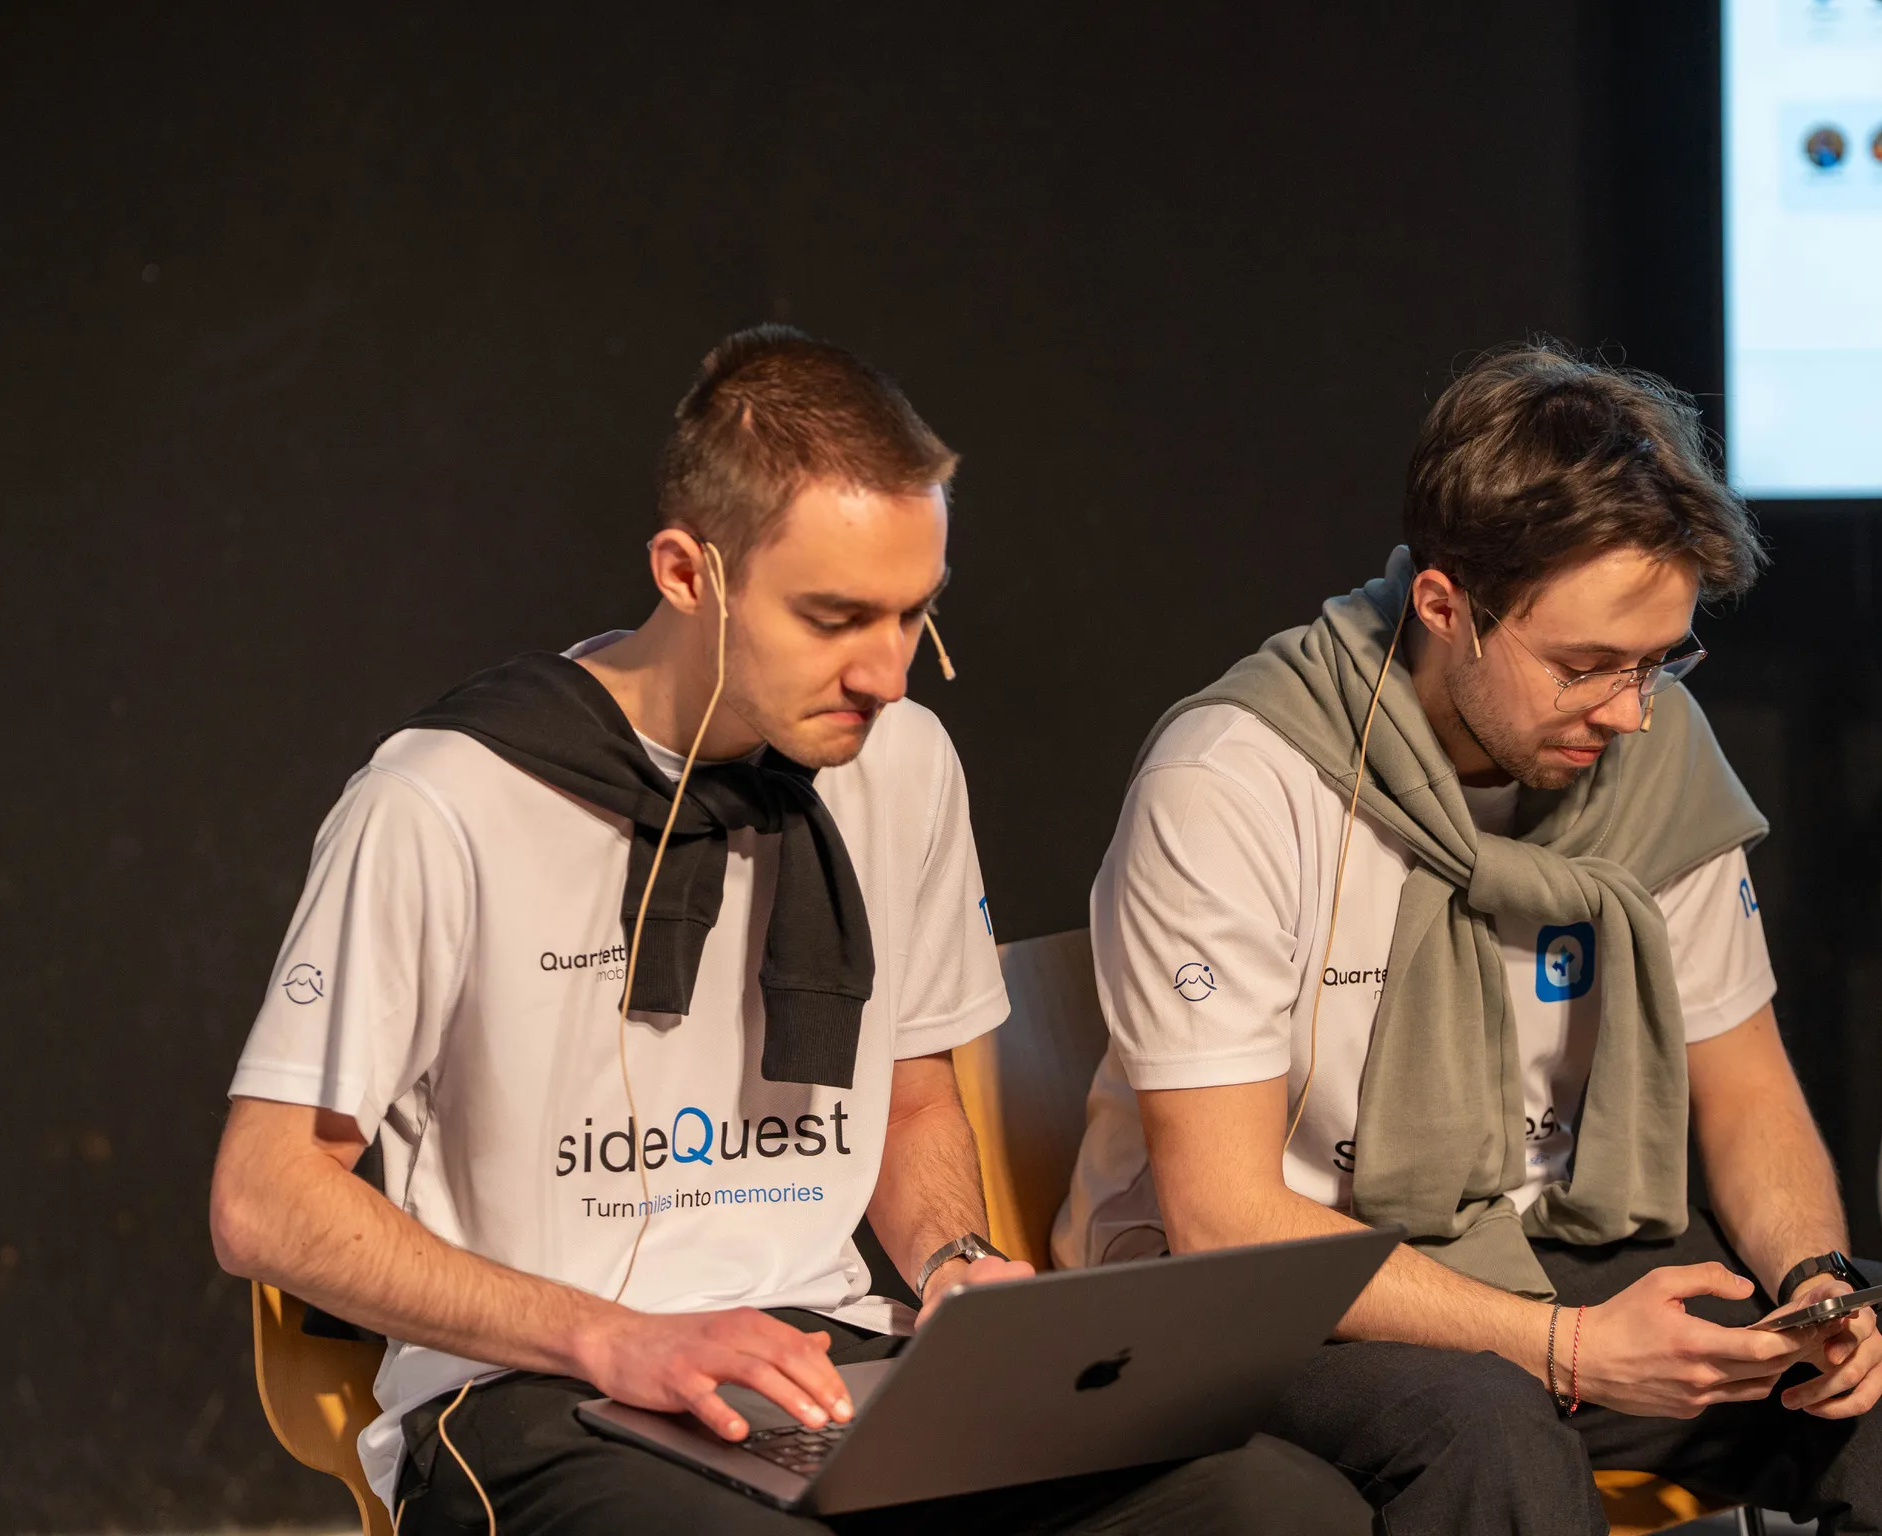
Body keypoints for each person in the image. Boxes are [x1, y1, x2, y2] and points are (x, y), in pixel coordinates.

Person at [208, 326, 1371, 1536]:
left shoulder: (902, 764)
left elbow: (913, 1100)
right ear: (685, 572)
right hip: (534, 1387)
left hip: (823, 1359)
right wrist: (611, 1337)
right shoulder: (444, 799)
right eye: (834, 617)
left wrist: (949, 1264)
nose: (889, 674)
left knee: (1276, 1507)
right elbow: (265, 1197)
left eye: (915, 615)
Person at [1053, 347, 1882, 1535]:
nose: (1629, 711)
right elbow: (1225, 1219)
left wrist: (1815, 1291)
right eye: (1584, 667)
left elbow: (1746, 1095)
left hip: (1532, 1246)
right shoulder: (1237, 779)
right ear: (1444, 606)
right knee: (1490, 1414)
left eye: (1659, 661)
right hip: (1258, 1293)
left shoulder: (1651, 746)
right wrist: (1569, 1349)